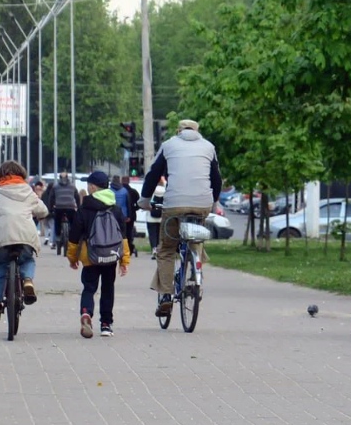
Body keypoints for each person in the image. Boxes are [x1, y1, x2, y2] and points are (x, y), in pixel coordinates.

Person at [137, 119, 222, 317]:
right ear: (197, 130)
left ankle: (166, 295)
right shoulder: (209, 147)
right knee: (196, 239)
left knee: (166, 250)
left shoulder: (168, 145)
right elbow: (216, 178)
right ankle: (195, 275)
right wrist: (213, 201)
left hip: (174, 204)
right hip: (202, 204)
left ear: (179, 130)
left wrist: (144, 200)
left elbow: (153, 174)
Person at [0, 160, 48, 321]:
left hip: (1, 238)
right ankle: (27, 280)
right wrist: (34, 213)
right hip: (25, 236)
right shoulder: (28, 191)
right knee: (27, 259)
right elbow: (43, 211)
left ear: (0, 175)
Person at [67, 171, 129, 338]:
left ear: (93, 187)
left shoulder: (84, 209)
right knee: (108, 289)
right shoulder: (115, 209)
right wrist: (124, 261)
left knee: (89, 288)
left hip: (90, 257)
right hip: (111, 256)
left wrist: (72, 258)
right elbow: (123, 237)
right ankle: (106, 324)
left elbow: (74, 237)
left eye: (88, 186)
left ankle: (86, 312)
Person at [48, 172, 81, 249]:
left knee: (57, 222)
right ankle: (71, 237)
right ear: (68, 177)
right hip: (70, 207)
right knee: (73, 223)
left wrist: (51, 209)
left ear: (59, 178)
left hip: (59, 207)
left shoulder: (55, 187)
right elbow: (77, 197)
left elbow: (51, 198)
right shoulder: (73, 186)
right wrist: (78, 207)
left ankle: (58, 237)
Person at [145, 177, 166, 259]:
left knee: (152, 234)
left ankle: (154, 249)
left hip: (151, 217)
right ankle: (159, 249)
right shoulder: (165, 190)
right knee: (160, 234)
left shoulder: (152, 190)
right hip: (161, 216)